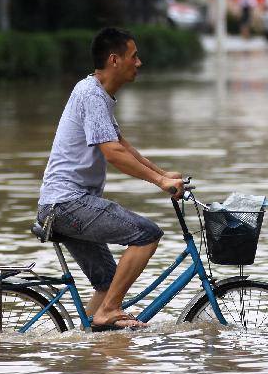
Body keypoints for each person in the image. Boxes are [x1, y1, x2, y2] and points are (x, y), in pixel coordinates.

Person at [37, 27, 184, 331]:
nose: (139, 62)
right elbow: (113, 153)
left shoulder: (98, 94)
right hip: (68, 204)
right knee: (147, 234)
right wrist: (159, 183)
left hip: (67, 205)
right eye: (134, 56)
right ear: (115, 60)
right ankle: (110, 310)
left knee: (107, 282)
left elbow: (122, 145)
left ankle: (88, 342)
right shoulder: (91, 95)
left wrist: (162, 174)